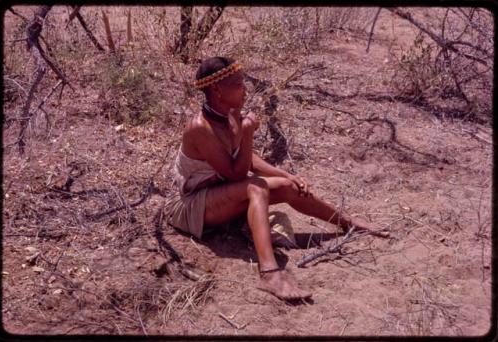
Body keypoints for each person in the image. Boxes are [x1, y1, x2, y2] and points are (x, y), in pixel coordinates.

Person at [164, 56, 387, 301]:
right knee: (256, 188)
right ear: (217, 89)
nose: (245, 89)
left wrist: (288, 175)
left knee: (287, 187)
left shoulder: (229, 114)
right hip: (191, 207)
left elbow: (248, 159)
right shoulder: (200, 128)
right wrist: (247, 133)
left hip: (220, 195)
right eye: (238, 84)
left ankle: (348, 223)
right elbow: (237, 173)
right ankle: (269, 274)